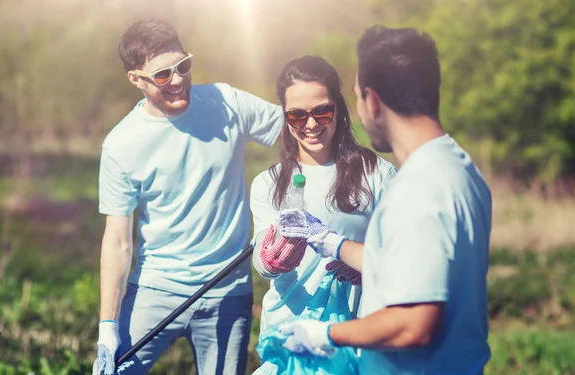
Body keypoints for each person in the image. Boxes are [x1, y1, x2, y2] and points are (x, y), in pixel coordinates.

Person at [277, 25, 493, 374]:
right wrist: (331, 242)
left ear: (372, 100)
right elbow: (424, 265)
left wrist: (327, 334)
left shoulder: (416, 189)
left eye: (358, 98)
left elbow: (414, 324)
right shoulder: (458, 167)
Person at [92, 18, 285, 375]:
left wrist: (287, 203)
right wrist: (108, 328)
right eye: (163, 74)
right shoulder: (120, 145)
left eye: (183, 66)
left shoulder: (227, 102)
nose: (178, 79)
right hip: (155, 287)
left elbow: (298, 133)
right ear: (136, 79)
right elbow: (118, 241)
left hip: (227, 288)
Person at [249, 55, 396, 375]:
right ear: (285, 117)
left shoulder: (377, 174)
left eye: (322, 112)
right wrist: (276, 255)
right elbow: (262, 264)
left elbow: (403, 258)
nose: (311, 124)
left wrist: (366, 267)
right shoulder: (268, 183)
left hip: (356, 340)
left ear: (339, 110)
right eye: (297, 116)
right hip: (288, 339)